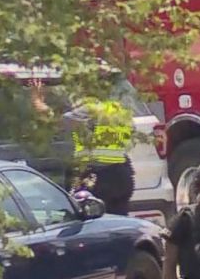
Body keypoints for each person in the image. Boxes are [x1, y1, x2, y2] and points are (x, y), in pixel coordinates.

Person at [31, 80, 136, 215]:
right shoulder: (120, 111)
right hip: (122, 174)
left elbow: (55, 121)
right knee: (119, 219)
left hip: (100, 175)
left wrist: (36, 100)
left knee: (91, 219)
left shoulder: (91, 110)